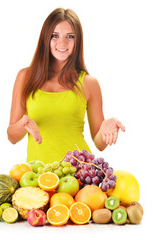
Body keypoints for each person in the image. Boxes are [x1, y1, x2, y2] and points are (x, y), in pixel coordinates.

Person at [7, 8, 125, 164]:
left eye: (70, 36)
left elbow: (99, 144)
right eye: (55, 36)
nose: (62, 43)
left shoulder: (89, 83)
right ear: (45, 38)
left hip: (79, 176)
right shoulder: (25, 77)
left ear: (78, 41)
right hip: (40, 177)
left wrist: (107, 128)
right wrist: (23, 124)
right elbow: (12, 137)